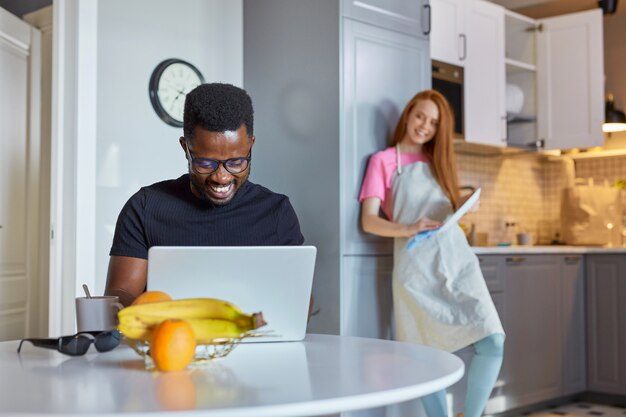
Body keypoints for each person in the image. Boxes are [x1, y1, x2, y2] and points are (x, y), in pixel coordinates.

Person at [358, 90, 504, 417]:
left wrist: (466, 204)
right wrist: (409, 228)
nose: (424, 126)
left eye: (434, 123)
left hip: (457, 260)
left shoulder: (439, 163)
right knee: (428, 358)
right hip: (417, 270)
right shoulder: (383, 161)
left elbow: (444, 213)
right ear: (408, 115)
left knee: (493, 339)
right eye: (420, 116)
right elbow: (369, 221)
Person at [105, 83, 304, 306]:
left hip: (255, 338)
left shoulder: (276, 212)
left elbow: (299, 299)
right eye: (206, 163)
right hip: (169, 337)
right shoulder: (144, 208)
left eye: (236, 162)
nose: (222, 177)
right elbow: (121, 292)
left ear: (251, 146)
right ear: (185, 148)